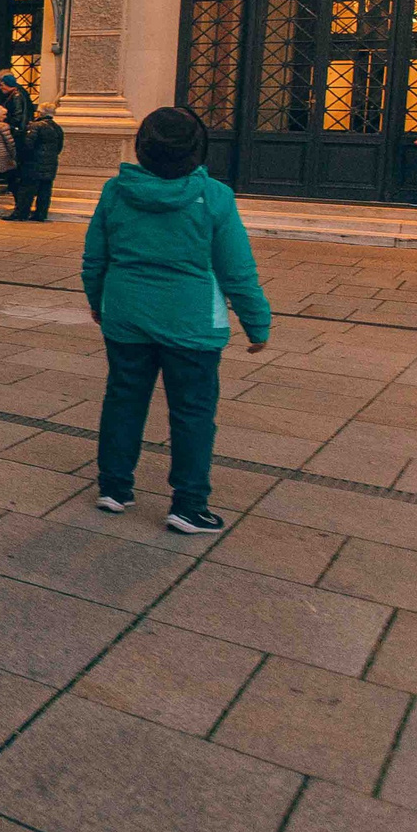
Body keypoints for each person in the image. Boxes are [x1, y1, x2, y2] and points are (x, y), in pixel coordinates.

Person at [82, 106, 270, 537]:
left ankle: (114, 488)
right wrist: (257, 323)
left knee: (124, 399)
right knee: (193, 412)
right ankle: (188, 504)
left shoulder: (116, 191)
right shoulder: (215, 197)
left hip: (126, 314)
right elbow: (236, 270)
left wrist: (99, 302)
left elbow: (96, 257)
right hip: (192, 323)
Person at [13, 102, 64, 221]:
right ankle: (41, 214)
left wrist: (22, 158)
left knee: (27, 189)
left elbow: (28, 144)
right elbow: (59, 146)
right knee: (45, 190)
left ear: (40, 112)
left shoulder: (36, 126)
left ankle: (21, 213)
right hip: (50, 163)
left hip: (34, 163)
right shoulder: (57, 127)